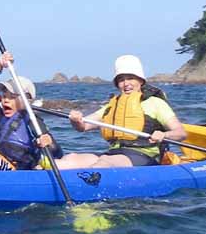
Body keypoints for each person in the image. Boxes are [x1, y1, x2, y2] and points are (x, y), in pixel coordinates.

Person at [55, 55, 186, 168]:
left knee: (105, 162)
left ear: (140, 81)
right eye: (121, 80)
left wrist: (164, 135)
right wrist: (76, 120)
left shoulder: (155, 103)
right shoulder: (112, 106)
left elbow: (180, 133)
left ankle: (87, 184)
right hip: (114, 153)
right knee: (71, 159)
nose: (126, 83)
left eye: (130, 78)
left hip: (144, 155)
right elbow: (83, 126)